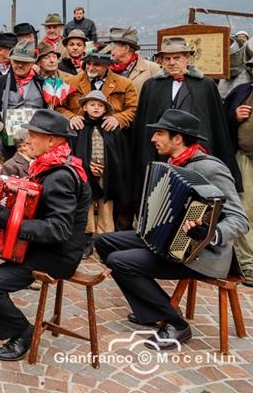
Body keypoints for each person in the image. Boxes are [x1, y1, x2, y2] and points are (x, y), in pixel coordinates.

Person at [95, 109, 249, 346]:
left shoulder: (210, 169)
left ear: (177, 138)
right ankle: (151, 310)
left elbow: (239, 219)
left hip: (199, 253)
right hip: (168, 241)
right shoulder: (172, 163)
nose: (153, 139)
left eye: (159, 133)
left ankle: (176, 324)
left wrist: (210, 233)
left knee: (119, 261)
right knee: (104, 242)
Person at [0, 110, 91, 361]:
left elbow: (59, 229)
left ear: (52, 140)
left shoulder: (61, 176)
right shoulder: (51, 163)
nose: (28, 140)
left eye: (34, 135)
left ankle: (22, 332)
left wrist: (11, 223)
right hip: (44, 246)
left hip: (56, 255)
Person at [132, 37, 241, 194]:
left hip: (195, 154)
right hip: (160, 154)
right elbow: (143, 124)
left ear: (187, 58)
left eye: (177, 58)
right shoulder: (152, 86)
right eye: (167, 58)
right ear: (161, 61)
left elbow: (216, 124)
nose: (172, 62)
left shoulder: (205, 85)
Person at [70, 90, 130, 257]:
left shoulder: (111, 128)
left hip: (106, 172)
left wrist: (108, 167)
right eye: (92, 104)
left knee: (106, 203)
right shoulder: (79, 127)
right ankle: (86, 239)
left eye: (100, 105)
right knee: (86, 203)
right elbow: (75, 152)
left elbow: (118, 153)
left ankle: (106, 239)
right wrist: (87, 167)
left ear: (105, 109)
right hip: (85, 172)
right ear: (85, 107)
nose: (96, 108)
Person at [224, 54, 253, 286]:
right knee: (245, 209)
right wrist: (234, 116)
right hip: (244, 158)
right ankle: (249, 264)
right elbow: (223, 119)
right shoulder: (242, 91)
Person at [58, 49, 137, 130]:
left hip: (112, 136)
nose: (91, 68)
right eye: (88, 63)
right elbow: (58, 107)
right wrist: (71, 117)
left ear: (107, 65)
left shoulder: (125, 84)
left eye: (96, 64)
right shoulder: (70, 82)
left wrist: (118, 119)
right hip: (79, 135)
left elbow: (132, 109)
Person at [0, 40, 44, 153]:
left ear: (33, 63)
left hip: (37, 143)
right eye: (16, 61)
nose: (19, 65)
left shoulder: (42, 83)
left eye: (24, 62)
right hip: (8, 145)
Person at [105, 27, 160, 94]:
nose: (109, 49)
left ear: (126, 48)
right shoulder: (106, 69)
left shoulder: (152, 68)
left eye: (112, 46)